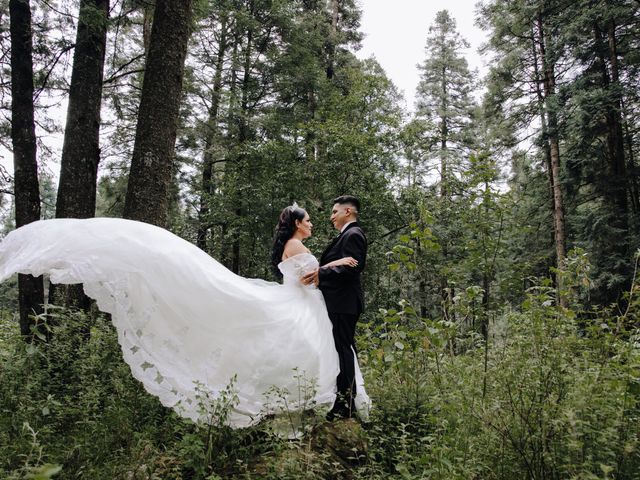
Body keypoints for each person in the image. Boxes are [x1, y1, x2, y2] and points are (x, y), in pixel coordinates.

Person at [0, 205, 369, 429]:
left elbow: (307, 272)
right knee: (298, 348)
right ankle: (316, 402)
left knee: (295, 348)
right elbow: (309, 275)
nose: (312, 224)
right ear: (296, 225)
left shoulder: (290, 244)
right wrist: (336, 262)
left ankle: (315, 401)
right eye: (307, 221)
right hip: (301, 302)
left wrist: (331, 264)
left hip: (300, 302)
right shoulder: (297, 244)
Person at [302, 195, 367, 420]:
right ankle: (344, 401)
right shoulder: (347, 235)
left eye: (334, 212)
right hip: (340, 302)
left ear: (347, 212)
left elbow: (353, 268)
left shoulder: (353, 234)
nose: (331, 217)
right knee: (341, 349)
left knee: (342, 350)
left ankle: (345, 405)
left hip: (344, 302)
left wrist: (321, 273)